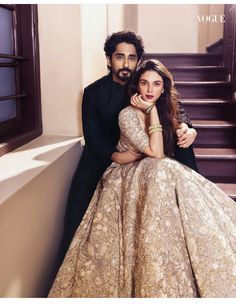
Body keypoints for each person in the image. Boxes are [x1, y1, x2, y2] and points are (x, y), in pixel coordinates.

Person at [49, 59, 236, 297]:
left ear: (163, 89)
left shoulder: (168, 109)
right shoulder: (126, 114)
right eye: (145, 83)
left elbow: (170, 141)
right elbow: (156, 153)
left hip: (154, 170)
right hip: (127, 173)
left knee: (166, 172)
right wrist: (150, 112)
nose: (150, 90)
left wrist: (188, 128)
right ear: (137, 86)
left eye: (156, 84)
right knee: (161, 169)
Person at [58, 31, 198, 265]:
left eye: (131, 58)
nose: (125, 64)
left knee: (182, 141)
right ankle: (69, 260)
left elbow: (173, 106)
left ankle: (195, 202)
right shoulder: (93, 92)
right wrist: (116, 155)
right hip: (107, 151)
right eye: (120, 57)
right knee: (79, 197)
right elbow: (92, 137)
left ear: (138, 60)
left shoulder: (143, 82)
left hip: (147, 147)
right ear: (109, 59)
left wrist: (188, 127)